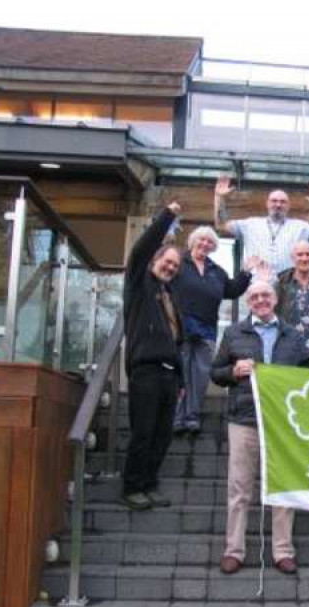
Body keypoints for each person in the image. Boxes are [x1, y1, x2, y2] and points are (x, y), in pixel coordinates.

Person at [210, 280, 309, 575]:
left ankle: (283, 550)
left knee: (283, 487)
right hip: (243, 418)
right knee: (239, 487)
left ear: (275, 300)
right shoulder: (234, 333)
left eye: (266, 295)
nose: (260, 300)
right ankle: (234, 550)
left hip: (282, 421)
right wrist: (232, 372)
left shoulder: (292, 335)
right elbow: (215, 373)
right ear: (248, 301)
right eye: (255, 296)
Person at [121, 202, 185, 511]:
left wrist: (181, 377)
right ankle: (132, 487)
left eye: (175, 266)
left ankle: (150, 483)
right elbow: (140, 250)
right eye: (167, 262)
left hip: (169, 374)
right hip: (145, 371)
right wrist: (168, 216)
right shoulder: (139, 283)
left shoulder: (169, 296)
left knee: (162, 435)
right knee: (143, 432)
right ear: (154, 261)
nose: (171, 268)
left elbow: (176, 341)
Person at [169, 225, 262, 434]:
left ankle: (192, 416)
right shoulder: (178, 262)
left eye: (210, 242)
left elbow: (232, 290)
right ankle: (176, 417)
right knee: (180, 372)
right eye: (201, 240)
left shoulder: (217, 271)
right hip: (179, 327)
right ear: (192, 241)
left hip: (206, 329)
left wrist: (246, 273)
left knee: (200, 375)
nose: (205, 244)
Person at [214, 176, 309, 275]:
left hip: (287, 287)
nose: (278, 205)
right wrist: (219, 197)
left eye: (283, 202)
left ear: (288, 206)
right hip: (256, 286)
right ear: (267, 203)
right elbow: (221, 225)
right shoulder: (250, 224)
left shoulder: (300, 227)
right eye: (274, 201)